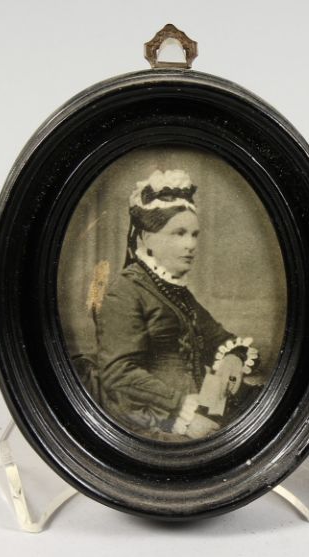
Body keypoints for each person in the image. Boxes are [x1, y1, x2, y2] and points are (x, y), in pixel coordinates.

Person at [93, 169, 258, 441]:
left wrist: (232, 357)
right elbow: (118, 373)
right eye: (178, 233)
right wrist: (182, 411)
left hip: (197, 406)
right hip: (154, 418)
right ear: (147, 238)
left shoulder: (173, 289)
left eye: (194, 234)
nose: (191, 244)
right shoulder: (125, 291)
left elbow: (217, 336)